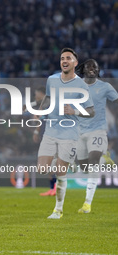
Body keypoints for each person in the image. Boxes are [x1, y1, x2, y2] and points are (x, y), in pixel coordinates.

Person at [36, 48, 95, 219]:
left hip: (70, 133)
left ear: (75, 63)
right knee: (42, 169)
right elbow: (47, 98)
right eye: (62, 58)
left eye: (68, 58)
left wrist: (74, 111)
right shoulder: (52, 79)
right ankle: (64, 160)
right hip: (51, 131)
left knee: (61, 172)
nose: (64, 60)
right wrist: (39, 111)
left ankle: (58, 210)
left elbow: (91, 111)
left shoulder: (82, 85)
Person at [75, 59, 118, 214]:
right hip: (80, 132)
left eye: (95, 67)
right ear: (84, 69)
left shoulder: (105, 87)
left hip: (98, 130)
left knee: (93, 160)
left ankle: (87, 203)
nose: (92, 69)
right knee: (84, 167)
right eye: (89, 66)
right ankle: (103, 156)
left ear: (98, 70)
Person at [29, 87, 57, 196]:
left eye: (36, 94)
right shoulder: (43, 105)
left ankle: (56, 187)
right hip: (44, 136)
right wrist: (36, 132)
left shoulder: (51, 104)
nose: (35, 96)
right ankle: (52, 188)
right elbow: (39, 119)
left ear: (42, 93)